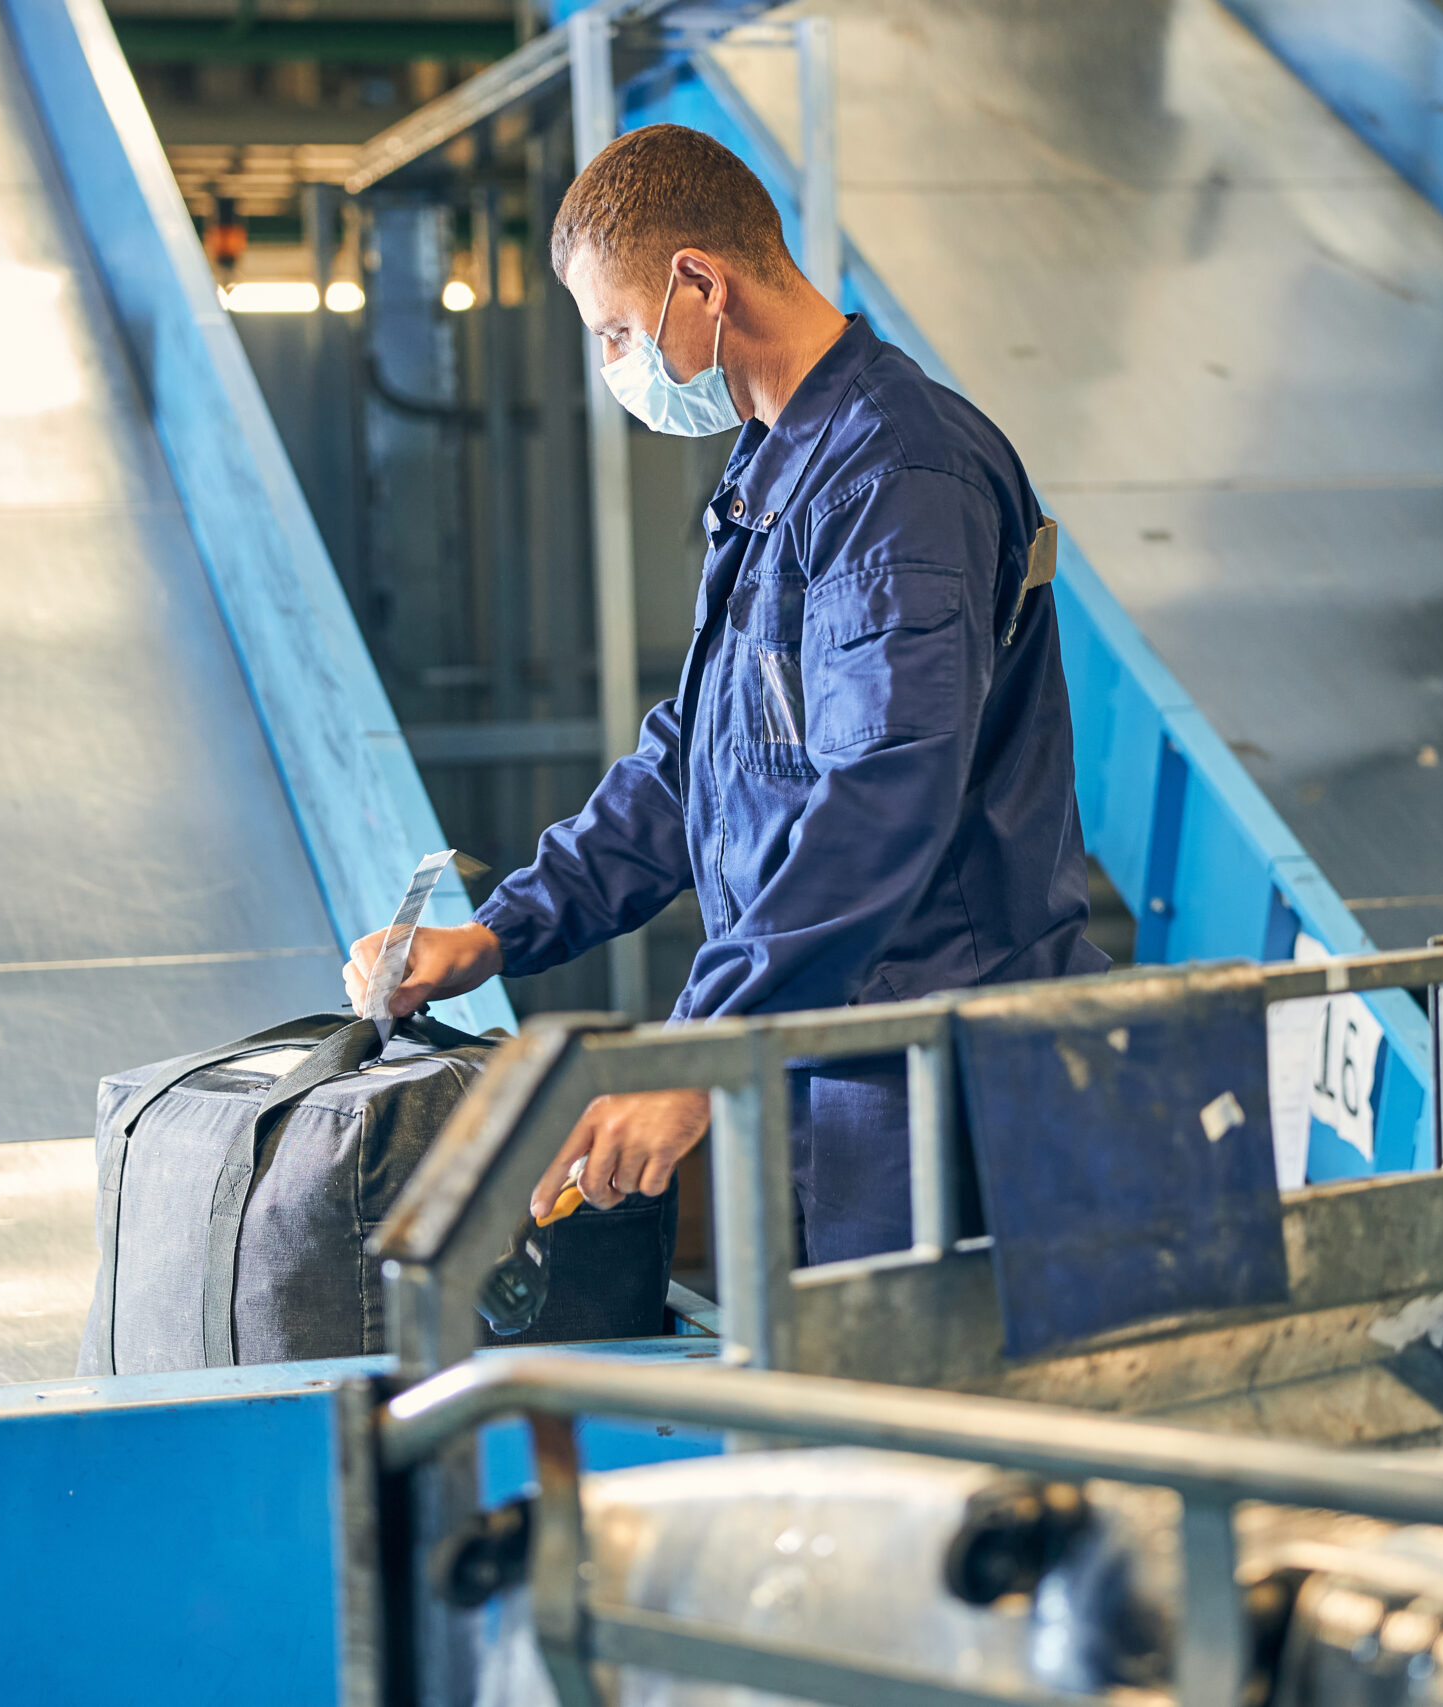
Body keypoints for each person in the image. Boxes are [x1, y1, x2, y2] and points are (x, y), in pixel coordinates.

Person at [344, 123, 1106, 1264]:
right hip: (842, 1044)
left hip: (944, 1065)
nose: (616, 366)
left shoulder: (896, 475)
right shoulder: (780, 467)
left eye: (614, 329)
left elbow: (884, 788)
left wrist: (702, 1046)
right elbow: (700, 756)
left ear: (699, 281)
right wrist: (501, 930)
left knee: (926, 1428)